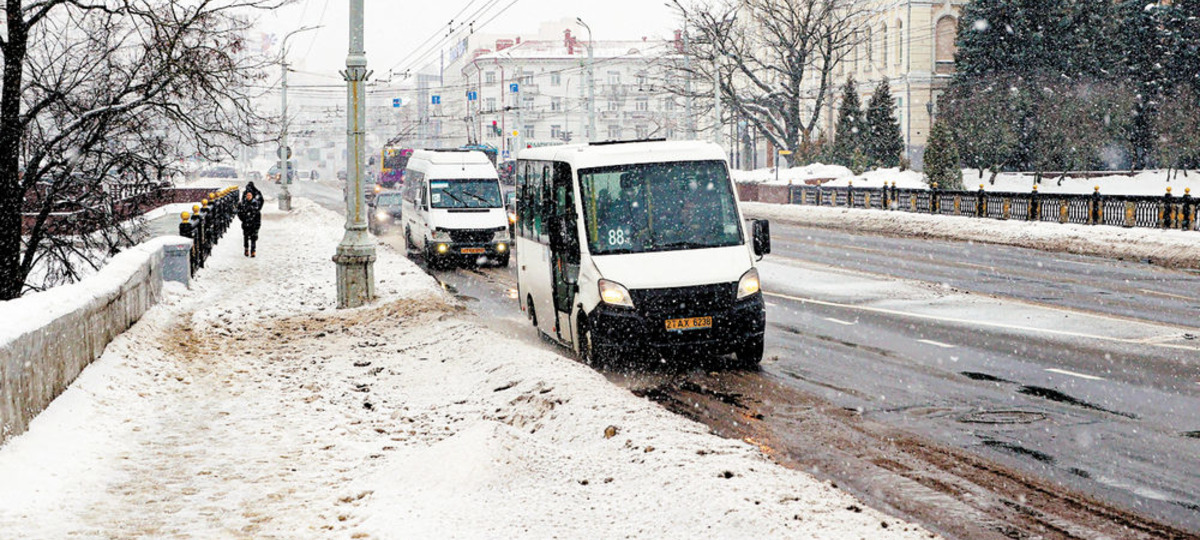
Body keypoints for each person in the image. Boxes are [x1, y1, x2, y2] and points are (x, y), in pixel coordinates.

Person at [238, 182, 264, 257]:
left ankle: (252, 250)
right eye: (248, 195)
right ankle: (247, 249)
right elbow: (240, 212)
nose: (248, 196)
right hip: (246, 222)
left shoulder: (254, 204)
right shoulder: (246, 203)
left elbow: (257, 215)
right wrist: (243, 218)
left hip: (252, 222)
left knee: (252, 237)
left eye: (250, 195)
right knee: (248, 236)